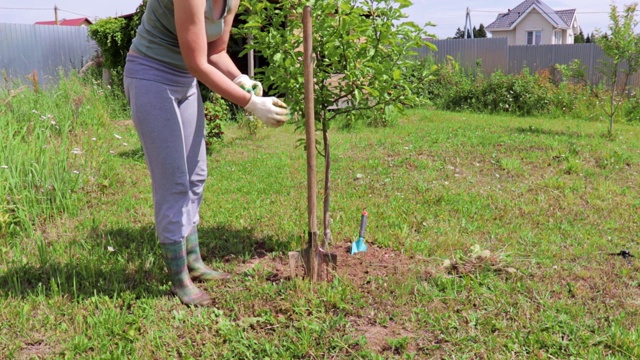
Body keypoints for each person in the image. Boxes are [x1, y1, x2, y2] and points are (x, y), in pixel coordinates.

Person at [123, 0, 290, 306]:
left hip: (183, 81)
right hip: (150, 76)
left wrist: (240, 79)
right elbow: (197, 63)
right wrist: (250, 104)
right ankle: (179, 278)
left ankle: (195, 263)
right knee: (173, 182)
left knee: (196, 174)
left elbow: (216, 53)